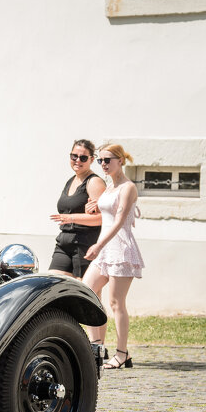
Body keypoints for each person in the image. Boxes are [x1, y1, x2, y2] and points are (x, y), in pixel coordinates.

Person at [82, 144, 143, 369]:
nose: (103, 165)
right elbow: (106, 212)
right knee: (87, 291)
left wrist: (97, 246)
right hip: (105, 248)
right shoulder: (109, 186)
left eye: (107, 160)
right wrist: (94, 207)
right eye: (100, 161)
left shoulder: (128, 187)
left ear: (120, 160)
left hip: (120, 249)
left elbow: (119, 221)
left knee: (116, 303)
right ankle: (96, 344)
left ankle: (122, 353)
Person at [48, 140, 106, 278]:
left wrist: (71, 218)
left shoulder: (93, 182)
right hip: (64, 243)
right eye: (74, 156)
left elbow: (102, 219)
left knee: (85, 293)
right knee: (53, 284)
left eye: (83, 158)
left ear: (92, 159)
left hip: (84, 244)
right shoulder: (71, 180)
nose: (77, 160)